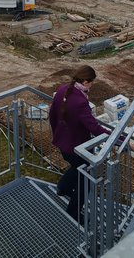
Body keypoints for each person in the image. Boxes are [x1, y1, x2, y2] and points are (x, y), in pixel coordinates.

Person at [49, 65, 107, 222]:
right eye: (92, 83)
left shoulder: (62, 90)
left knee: (76, 168)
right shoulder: (80, 102)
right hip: (78, 148)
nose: (92, 86)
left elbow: (52, 115)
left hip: (63, 143)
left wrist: (57, 135)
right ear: (86, 82)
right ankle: (73, 212)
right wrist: (118, 138)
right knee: (85, 179)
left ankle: (63, 187)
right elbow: (94, 128)